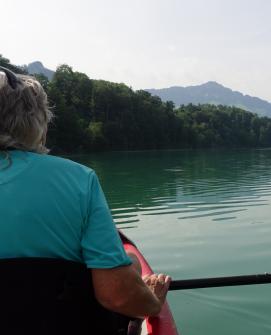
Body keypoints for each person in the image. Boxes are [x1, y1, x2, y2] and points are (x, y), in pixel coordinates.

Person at [0, 66, 171, 334]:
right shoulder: (78, 180)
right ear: (38, 123)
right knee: (130, 263)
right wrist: (152, 303)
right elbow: (116, 295)